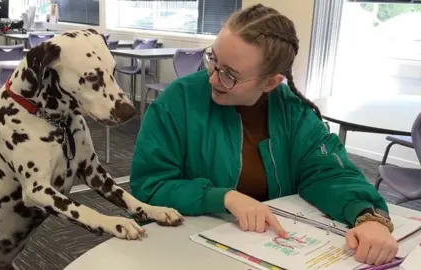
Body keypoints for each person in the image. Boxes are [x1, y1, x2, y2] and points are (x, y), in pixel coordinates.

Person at [130, 3, 398, 267]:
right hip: (184, 248)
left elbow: (329, 173)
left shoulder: (294, 112)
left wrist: (368, 217)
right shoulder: (178, 100)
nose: (212, 78)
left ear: (271, 82)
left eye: (229, 75)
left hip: (269, 250)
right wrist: (224, 197)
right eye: (213, 59)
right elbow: (149, 185)